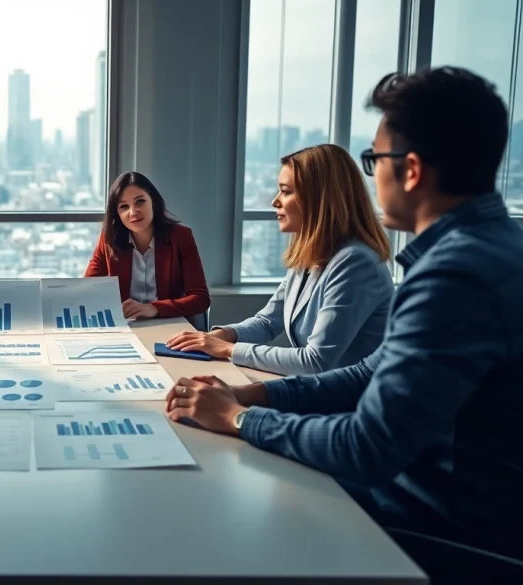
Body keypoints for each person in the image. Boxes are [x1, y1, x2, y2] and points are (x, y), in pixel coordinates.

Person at [165, 67, 523, 562]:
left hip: (442, 528)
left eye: (375, 160)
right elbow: (367, 372)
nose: (371, 177)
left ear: (412, 170)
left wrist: (241, 419)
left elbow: (366, 447)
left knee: (225, 516)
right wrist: (255, 392)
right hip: (439, 501)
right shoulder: (492, 250)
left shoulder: (456, 277)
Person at [168, 144, 393, 375]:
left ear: (319, 199)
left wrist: (228, 349)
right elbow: (268, 322)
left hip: (349, 404)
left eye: (286, 191)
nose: (275, 201)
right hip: (317, 392)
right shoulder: (311, 253)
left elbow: (315, 361)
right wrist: (220, 336)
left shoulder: (355, 262)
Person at [84, 171, 210, 326]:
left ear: (153, 202)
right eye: (124, 206)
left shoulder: (181, 237)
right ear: (117, 213)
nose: (133, 212)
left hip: (169, 324)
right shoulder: (109, 240)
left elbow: (201, 299)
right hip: (126, 327)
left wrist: (154, 308)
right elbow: (87, 292)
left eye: (140, 201)